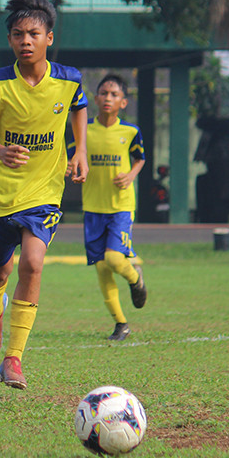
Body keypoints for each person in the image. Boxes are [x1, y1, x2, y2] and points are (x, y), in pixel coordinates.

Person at [0, 0, 88, 390]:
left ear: (50, 37)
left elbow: (79, 106)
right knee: (1, 270)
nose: (26, 40)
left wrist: (79, 148)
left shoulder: (69, 79)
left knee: (33, 263)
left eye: (34, 33)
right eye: (18, 34)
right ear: (11, 40)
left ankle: (13, 359)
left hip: (44, 193)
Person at [75, 73, 148, 341]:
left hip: (120, 206)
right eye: (104, 93)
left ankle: (135, 278)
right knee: (102, 268)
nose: (108, 98)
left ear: (124, 102)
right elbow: (71, 158)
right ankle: (121, 323)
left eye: (114, 94)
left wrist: (130, 175)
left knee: (115, 259)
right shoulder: (83, 130)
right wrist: (72, 168)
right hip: (93, 207)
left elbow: (140, 159)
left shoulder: (130, 131)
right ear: (95, 98)